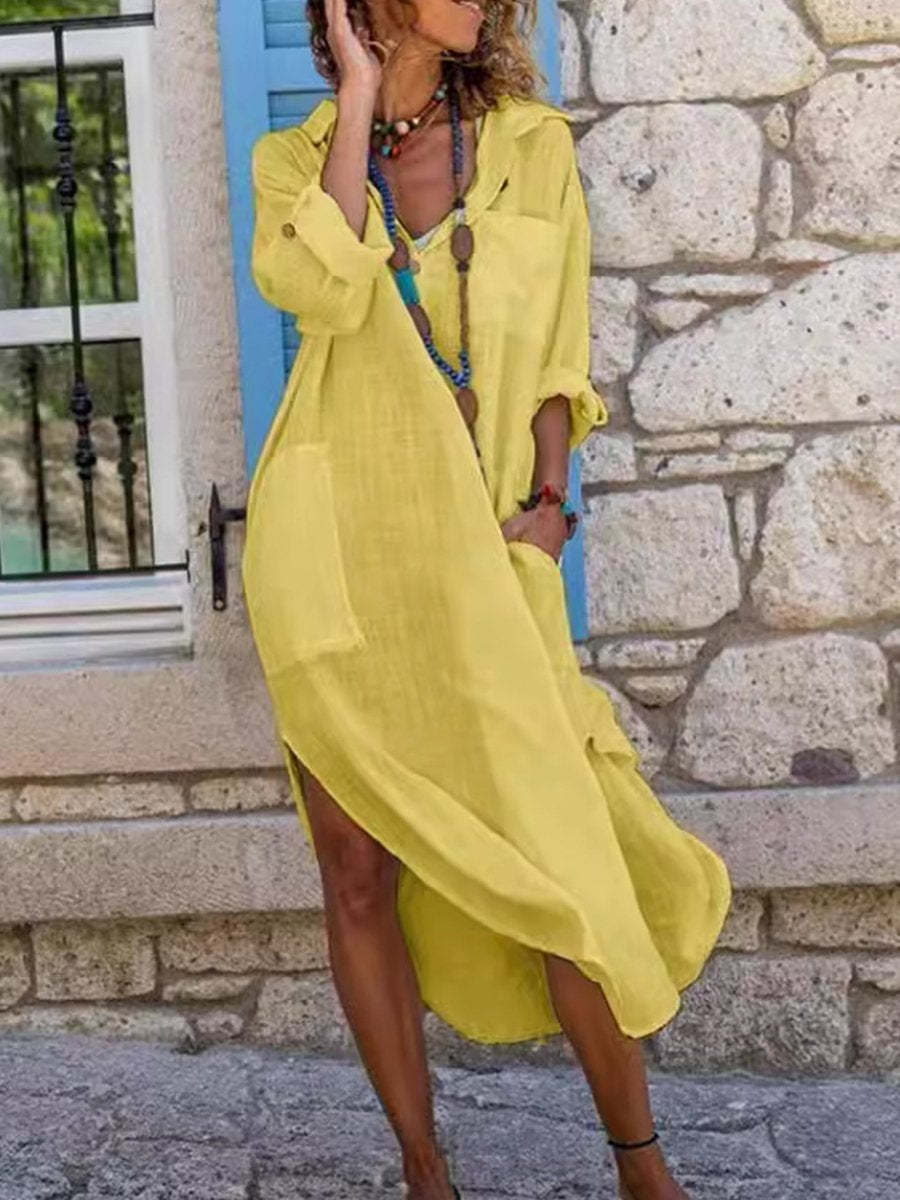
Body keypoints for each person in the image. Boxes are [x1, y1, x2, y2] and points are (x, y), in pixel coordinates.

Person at [241, 0, 733, 1195]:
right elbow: (321, 289)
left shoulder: (529, 144)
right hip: (339, 549)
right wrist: (359, 96)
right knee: (357, 872)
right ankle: (425, 1171)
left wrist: (552, 505)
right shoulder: (293, 162)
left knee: (561, 854)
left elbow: (557, 348)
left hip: (490, 556)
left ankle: (643, 1168)